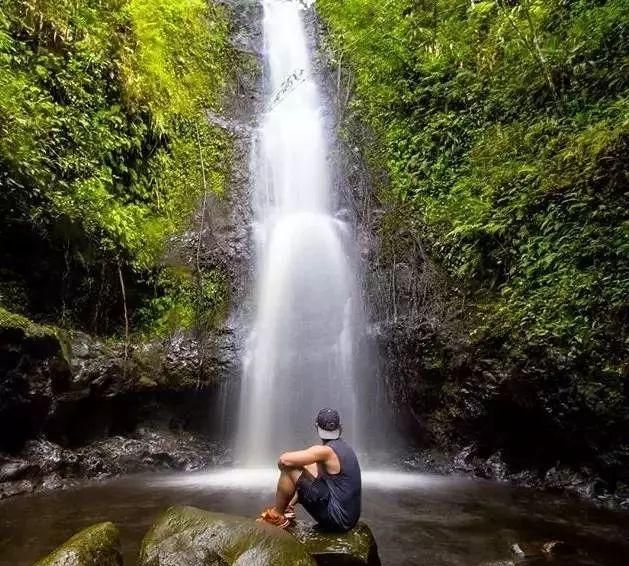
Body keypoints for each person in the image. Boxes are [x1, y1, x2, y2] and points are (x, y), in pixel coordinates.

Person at [257, 408, 362, 532]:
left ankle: (277, 516)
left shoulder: (325, 451)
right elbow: (311, 479)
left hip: (337, 520)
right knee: (306, 468)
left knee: (290, 468)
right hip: (349, 519)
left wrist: (285, 469)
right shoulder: (345, 448)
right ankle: (286, 508)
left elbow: (284, 460)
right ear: (340, 427)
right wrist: (291, 503)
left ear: (317, 427)